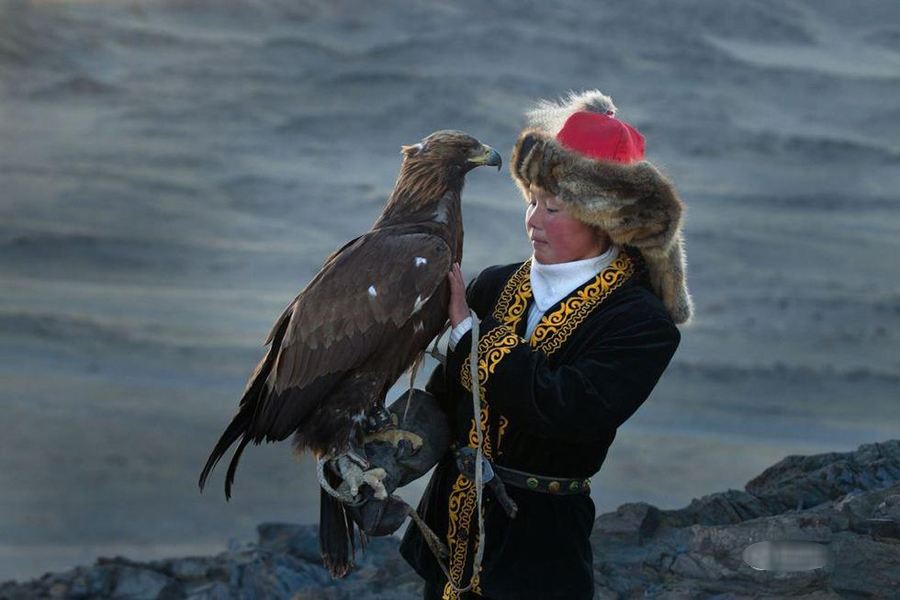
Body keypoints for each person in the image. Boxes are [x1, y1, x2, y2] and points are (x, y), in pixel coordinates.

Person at [399, 90, 692, 600]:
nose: (533, 219)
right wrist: (385, 455)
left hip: (540, 549)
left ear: (605, 219)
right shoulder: (492, 285)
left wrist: (473, 338)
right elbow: (446, 401)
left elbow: (567, 409)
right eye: (531, 200)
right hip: (451, 532)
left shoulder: (642, 323)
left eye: (552, 206)